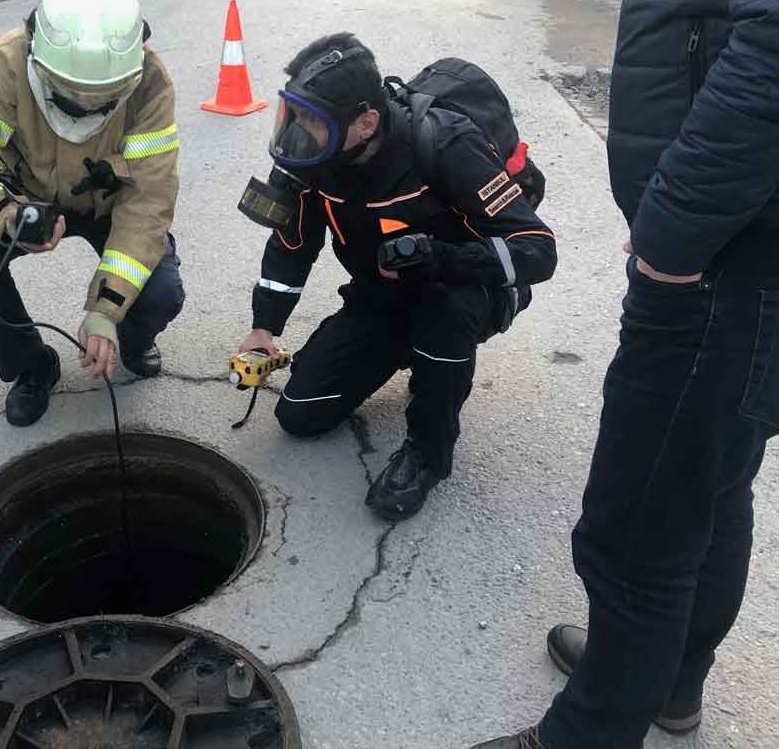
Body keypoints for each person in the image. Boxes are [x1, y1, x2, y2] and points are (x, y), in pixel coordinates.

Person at [472, 0, 779, 747]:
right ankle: (665, 681)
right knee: (706, 481)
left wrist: (670, 242)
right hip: (760, 247)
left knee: (638, 525)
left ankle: (592, 732)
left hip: (735, 266)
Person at [234, 34, 557, 523]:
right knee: (300, 414)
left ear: (365, 123)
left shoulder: (445, 143)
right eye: (293, 115)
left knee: (446, 314)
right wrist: (264, 327)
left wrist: (440, 258)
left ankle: (428, 452)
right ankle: (413, 354)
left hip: (459, 290)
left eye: (311, 121)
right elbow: (291, 244)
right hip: (380, 298)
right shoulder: (310, 162)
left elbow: (537, 249)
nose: (298, 132)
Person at [0, 0, 185, 427]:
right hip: (27, 199)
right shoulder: (6, 64)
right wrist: (4, 214)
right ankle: (32, 364)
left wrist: (106, 310)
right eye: (71, 95)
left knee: (161, 292)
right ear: (39, 59)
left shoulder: (149, 82)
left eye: (103, 97)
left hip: (108, 201)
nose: (86, 107)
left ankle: (129, 336)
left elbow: (149, 199)